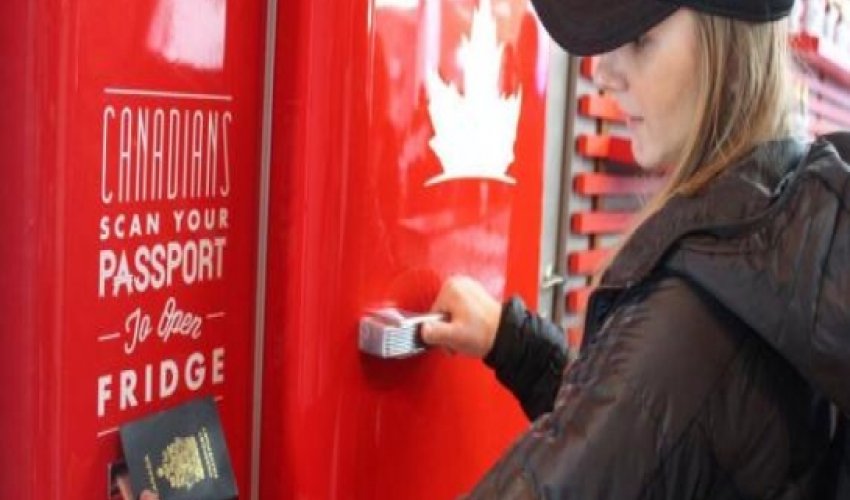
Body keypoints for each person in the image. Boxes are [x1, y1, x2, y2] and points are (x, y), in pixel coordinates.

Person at [421, 0, 850, 497]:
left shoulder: (694, 317)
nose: (603, 72)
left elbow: (657, 402)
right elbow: (660, 437)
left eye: (640, 39)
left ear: (727, 51)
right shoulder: (783, 215)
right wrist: (518, 347)